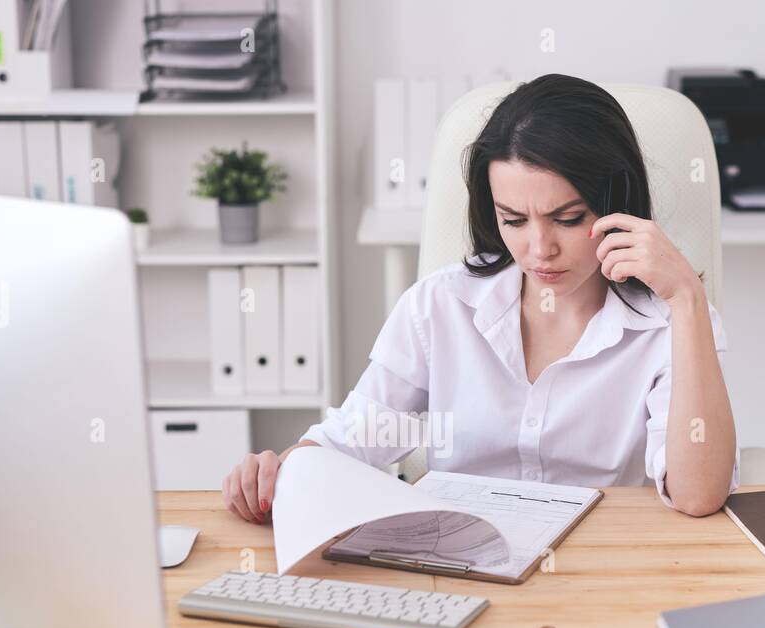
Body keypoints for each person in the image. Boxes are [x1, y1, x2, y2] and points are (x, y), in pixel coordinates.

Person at [223, 73, 738, 524]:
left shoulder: (670, 322)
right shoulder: (439, 307)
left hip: (599, 569)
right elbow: (350, 441)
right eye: (513, 220)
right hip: (458, 564)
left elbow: (697, 495)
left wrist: (688, 297)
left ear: (615, 204)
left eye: (568, 218)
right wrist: (280, 472)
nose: (540, 250)